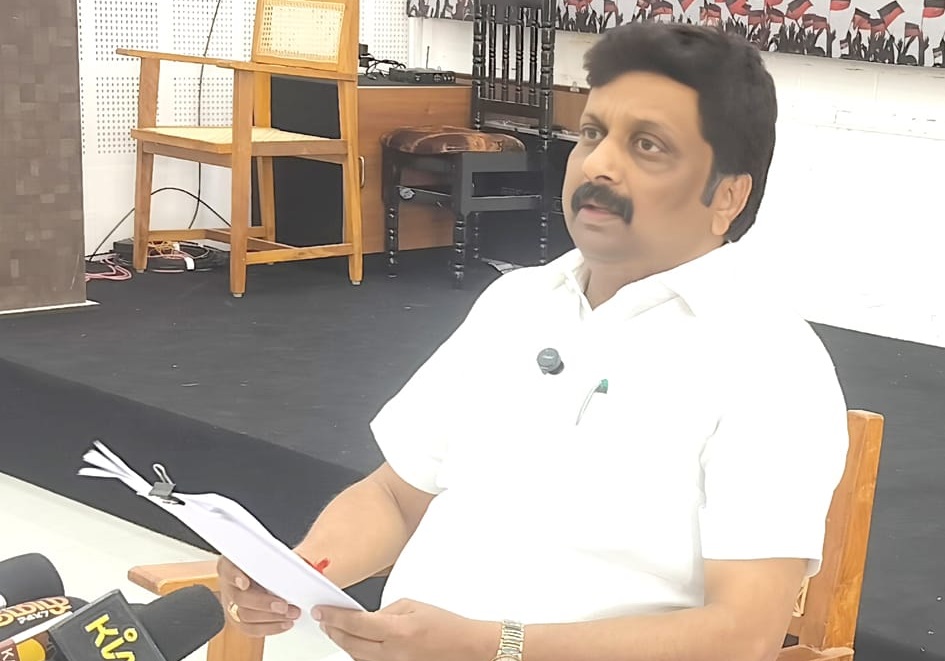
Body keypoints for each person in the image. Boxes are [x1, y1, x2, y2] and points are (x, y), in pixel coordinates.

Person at [218, 20, 850, 661]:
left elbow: (744, 635)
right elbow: (395, 497)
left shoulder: (770, 362)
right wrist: (295, 572)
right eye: (593, 133)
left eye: (647, 146)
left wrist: (495, 648)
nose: (598, 165)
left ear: (728, 197)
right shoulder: (517, 303)